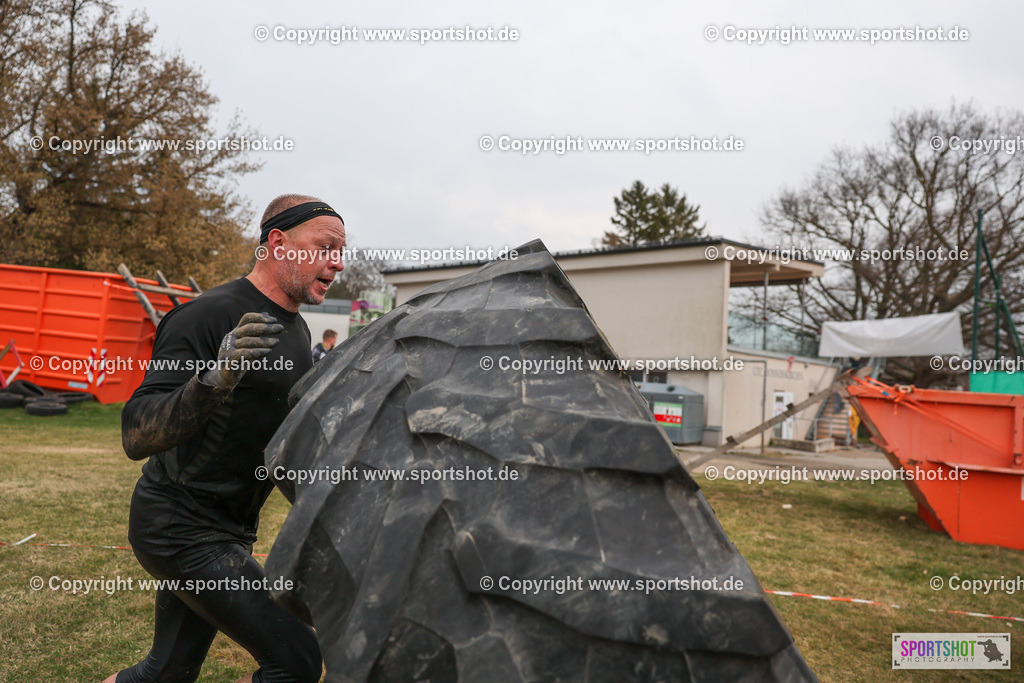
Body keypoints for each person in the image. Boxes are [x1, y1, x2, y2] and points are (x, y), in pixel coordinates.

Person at [105, 194, 345, 683]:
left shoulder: (297, 332)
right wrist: (213, 379)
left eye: (341, 251)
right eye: (325, 247)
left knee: (166, 673)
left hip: (230, 529)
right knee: (297, 660)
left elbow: (277, 438)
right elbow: (136, 432)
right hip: (180, 530)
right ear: (278, 243)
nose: (337, 263)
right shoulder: (207, 316)